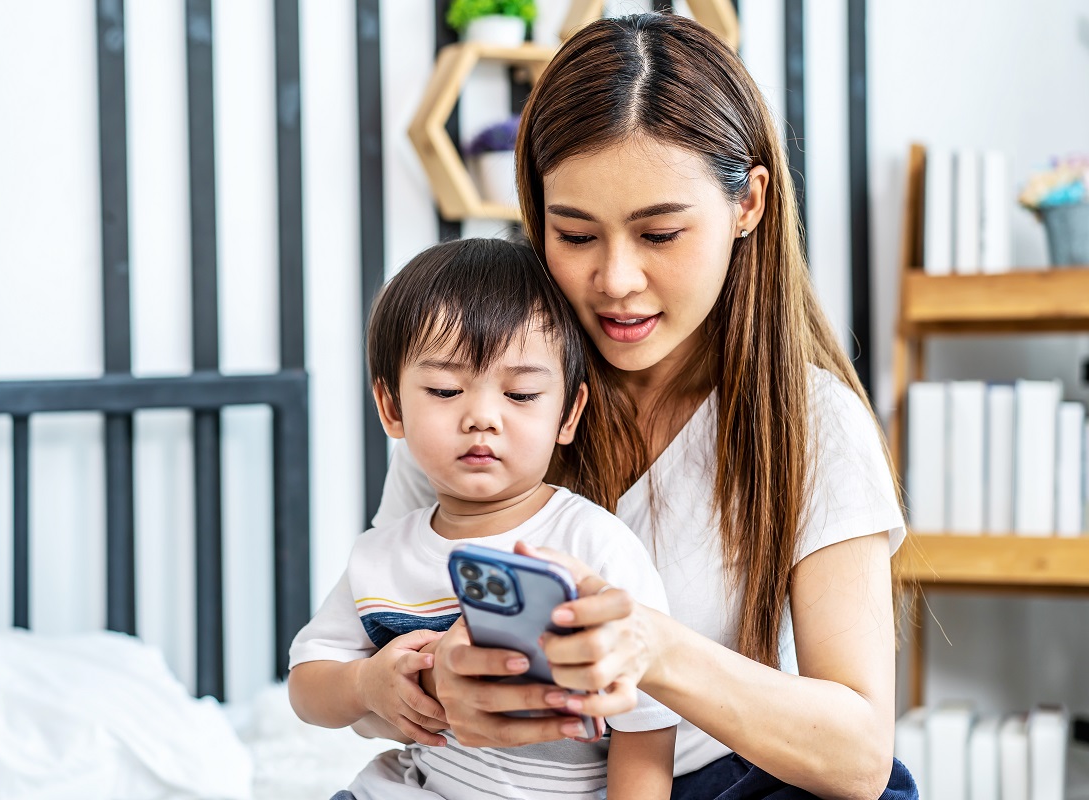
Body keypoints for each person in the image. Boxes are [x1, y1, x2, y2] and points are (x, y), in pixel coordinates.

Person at [366, 13, 920, 800]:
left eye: (659, 233)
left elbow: (860, 757)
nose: (616, 280)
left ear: (748, 204)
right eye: (576, 234)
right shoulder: (483, 400)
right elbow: (370, 660)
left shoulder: (814, 423)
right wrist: (424, 687)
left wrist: (649, 648)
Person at [287, 237, 680, 800]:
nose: (482, 418)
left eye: (520, 394)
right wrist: (366, 684)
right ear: (391, 406)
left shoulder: (590, 544)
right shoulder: (381, 554)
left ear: (567, 413)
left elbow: (648, 724)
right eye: (445, 389)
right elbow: (307, 685)